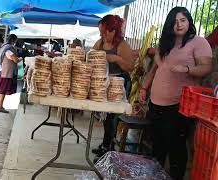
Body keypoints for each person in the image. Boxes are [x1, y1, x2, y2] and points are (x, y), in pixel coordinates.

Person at [140, 7, 212, 180]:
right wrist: (143, 88)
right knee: (157, 147)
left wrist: (187, 69)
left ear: (189, 21)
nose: (179, 24)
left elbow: (207, 67)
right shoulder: (165, 44)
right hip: (156, 104)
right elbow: (154, 70)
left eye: (183, 20)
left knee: (176, 150)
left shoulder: (198, 42)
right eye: (175, 21)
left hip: (178, 106)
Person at [91, 15, 134, 161]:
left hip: (120, 84)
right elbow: (91, 56)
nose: (102, 35)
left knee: (113, 116)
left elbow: (130, 66)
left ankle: (109, 149)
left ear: (114, 30)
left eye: (105, 32)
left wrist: (116, 59)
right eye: (101, 32)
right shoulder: (100, 43)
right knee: (106, 117)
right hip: (106, 83)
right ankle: (105, 144)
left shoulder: (122, 45)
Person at [0, 34, 19, 113]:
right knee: (3, 89)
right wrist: (20, 59)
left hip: (1, 70)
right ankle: (0, 106)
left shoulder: (2, 47)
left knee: (0, 88)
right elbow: (15, 60)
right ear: (13, 40)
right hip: (7, 72)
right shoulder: (9, 50)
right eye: (15, 41)